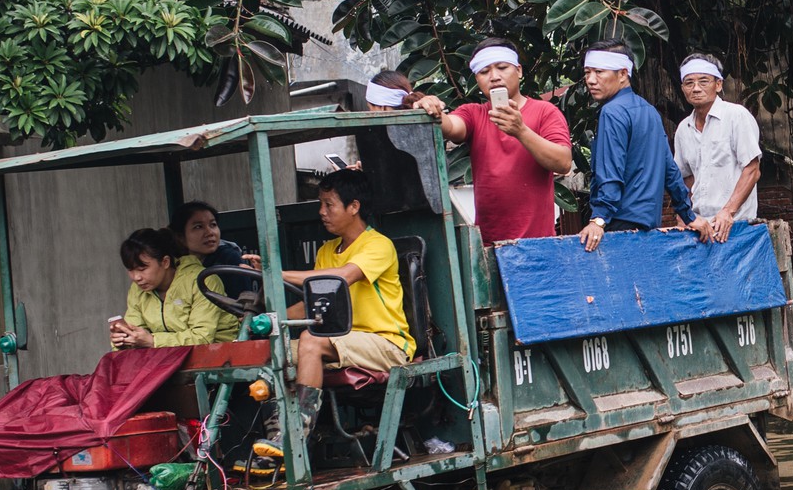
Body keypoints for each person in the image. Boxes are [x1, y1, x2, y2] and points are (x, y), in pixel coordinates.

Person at [245, 170, 412, 452]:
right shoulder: (326, 251)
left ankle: (296, 436)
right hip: (342, 341)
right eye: (320, 204)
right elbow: (313, 305)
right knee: (273, 349)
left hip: (386, 344)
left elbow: (340, 279)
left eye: (328, 204)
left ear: (354, 206)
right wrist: (270, 321)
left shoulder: (378, 245)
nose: (321, 212)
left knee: (311, 341)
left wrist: (273, 273)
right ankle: (276, 437)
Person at [410, 41, 571, 244]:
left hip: (537, 243)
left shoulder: (545, 112)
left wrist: (521, 131)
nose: (494, 77)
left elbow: (563, 163)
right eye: (484, 71)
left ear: (519, 71)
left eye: (502, 68)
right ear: (477, 79)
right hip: (488, 244)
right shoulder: (473, 113)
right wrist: (431, 108)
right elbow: (451, 126)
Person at [579, 42, 695, 253]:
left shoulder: (612, 112)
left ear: (623, 74)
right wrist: (688, 216)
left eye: (599, 72)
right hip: (649, 226)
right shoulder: (650, 111)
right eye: (587, 73)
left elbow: (611, 173)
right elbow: (670, 170)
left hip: (618, 224)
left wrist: (599, 220)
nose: (590, 80)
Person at [672, 52, 762, 243]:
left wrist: (727, 212)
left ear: (718, 84)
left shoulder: (736, 116)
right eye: (689, 83)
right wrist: (683, 215)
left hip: (736, 225)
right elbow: (685, 177)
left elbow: (752, 170)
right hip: (699, 229)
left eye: (703, 81)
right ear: (682, 88)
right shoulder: (683, 129)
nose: (696, 88)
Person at [110, 228, 238, 349]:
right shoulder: (137, 289)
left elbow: (202, 337)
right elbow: (137, 331)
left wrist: (153, 341)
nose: (136, 277)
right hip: (168, 358)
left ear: (165, 262)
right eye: (130, 270)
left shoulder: (202, 281)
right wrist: (125, 340)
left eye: (142, 269)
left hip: (217, 355)